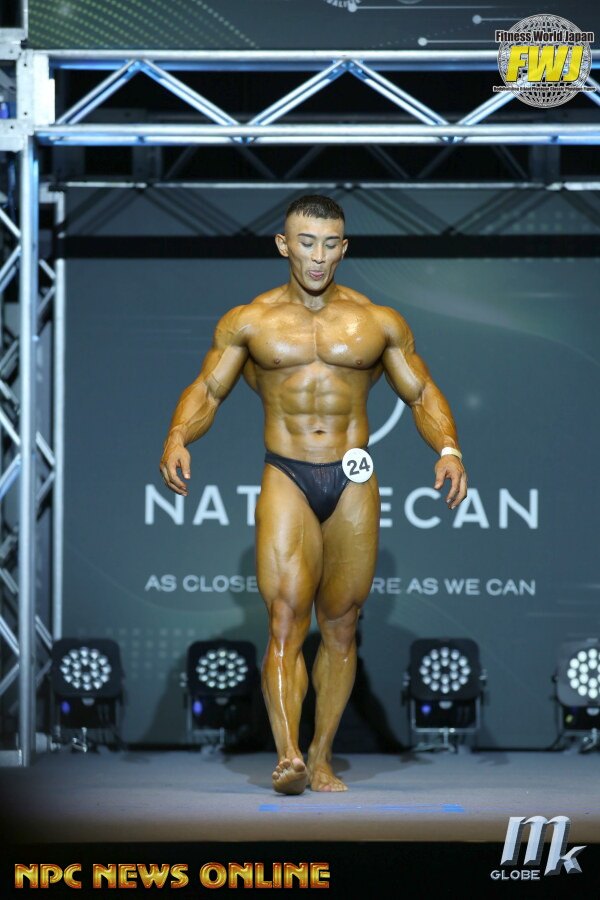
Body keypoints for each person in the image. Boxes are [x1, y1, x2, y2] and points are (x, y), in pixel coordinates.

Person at [159, 195, 467, 794]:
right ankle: (288, 755)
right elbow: (208, 389)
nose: (318, 256)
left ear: (343, 248)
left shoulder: (378, 321)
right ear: (284, 245)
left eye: (329, 244)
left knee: (343, 624)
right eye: (306, 242)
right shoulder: (250, 320)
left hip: (352, 477)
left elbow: (422, 393)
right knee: (283, 620)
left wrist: (449, 449)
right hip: (287, 472)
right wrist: (178, 435)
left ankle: (321, 756)